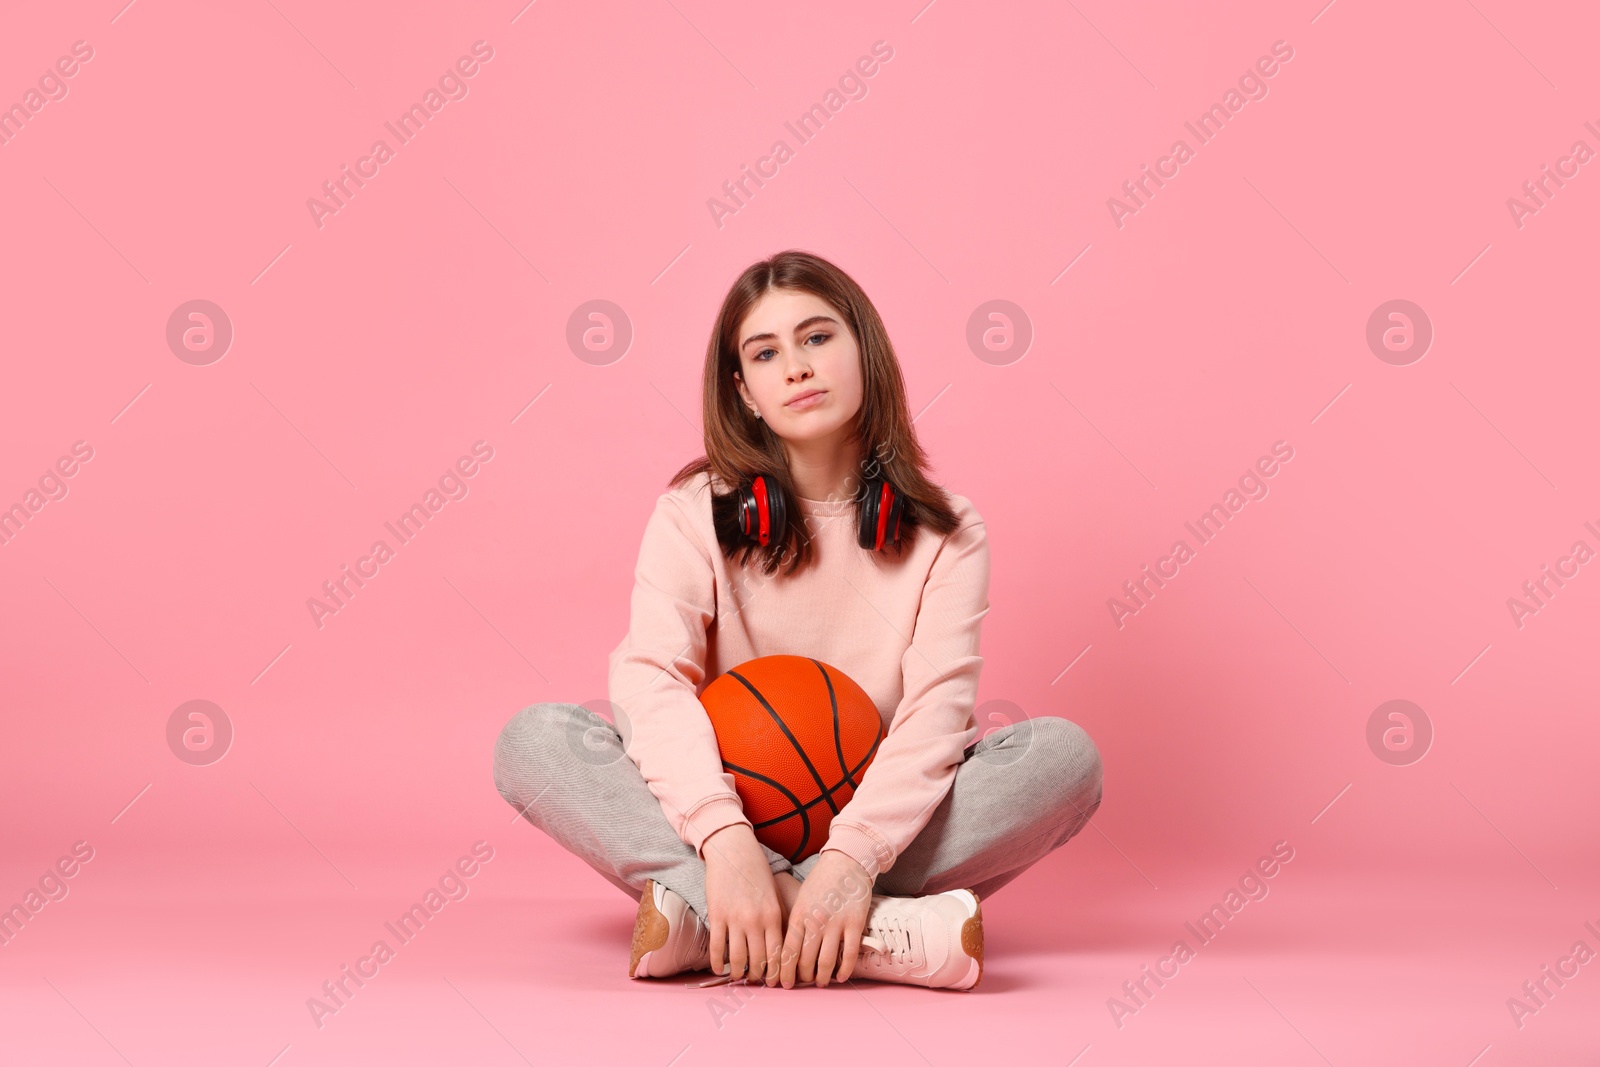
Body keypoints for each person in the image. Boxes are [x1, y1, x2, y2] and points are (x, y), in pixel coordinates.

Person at [493, 249, 1103, 991]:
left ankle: (719, 924)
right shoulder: (694, 514)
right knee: (537, 740)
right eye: (766, 351)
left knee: (1064, 760)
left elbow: (935, 714)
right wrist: (726, 841)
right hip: (722, 810)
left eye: (818, 337)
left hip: (876, 818)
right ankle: (863, 931)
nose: (797, 366)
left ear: (863, 352)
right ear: (744, 390)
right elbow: (651, 681)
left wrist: (851, 859)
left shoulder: (948, 530)